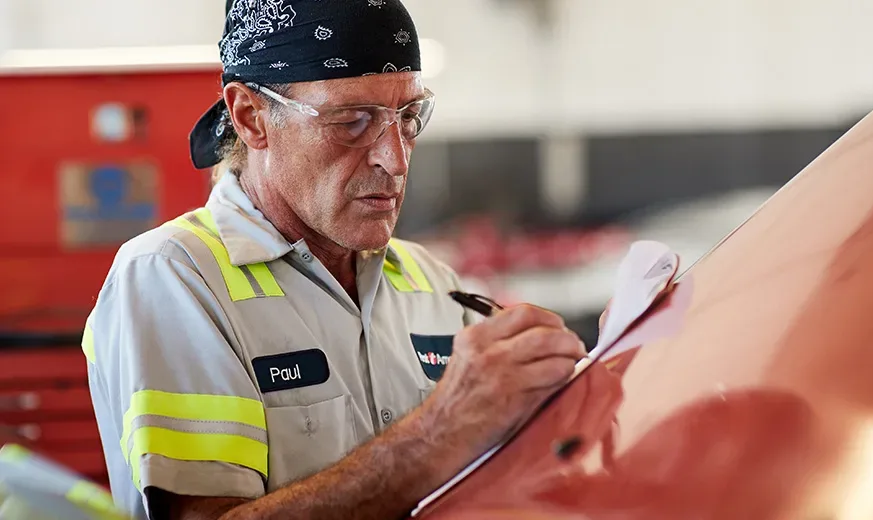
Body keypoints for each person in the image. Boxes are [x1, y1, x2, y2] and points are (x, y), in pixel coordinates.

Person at [82, 1, 587, 520]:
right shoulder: (174, 276)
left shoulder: (431, 282)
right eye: (351, 121)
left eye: (408, 117)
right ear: (252, 118)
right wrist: (437, 434)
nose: (394, 159)